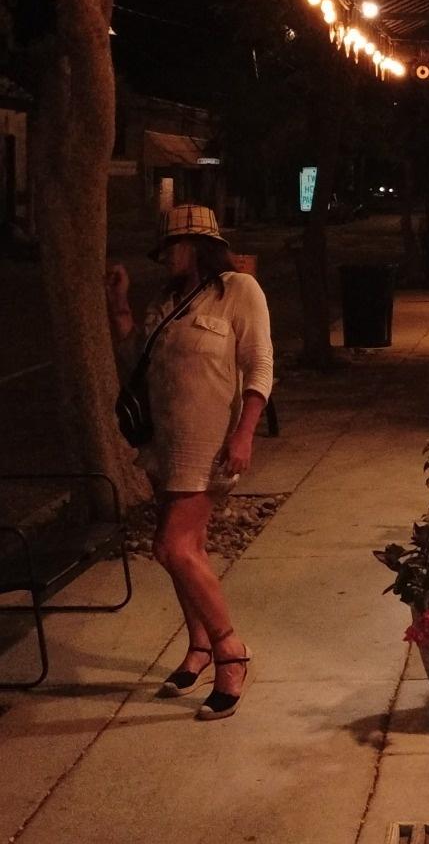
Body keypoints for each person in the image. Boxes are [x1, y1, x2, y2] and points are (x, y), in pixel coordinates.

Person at [106, 204, 273, 720]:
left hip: (210, 444)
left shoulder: (239, 290)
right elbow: (134, 360)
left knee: (171, 546)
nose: (165, 257)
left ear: (199, 245)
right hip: (166, 443)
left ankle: (230, 650)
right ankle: (198, 647)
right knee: (189, 550)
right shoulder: (167, 301)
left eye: (173, 247)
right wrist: (119, 306)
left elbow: (260, 366)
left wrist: (245, 433)